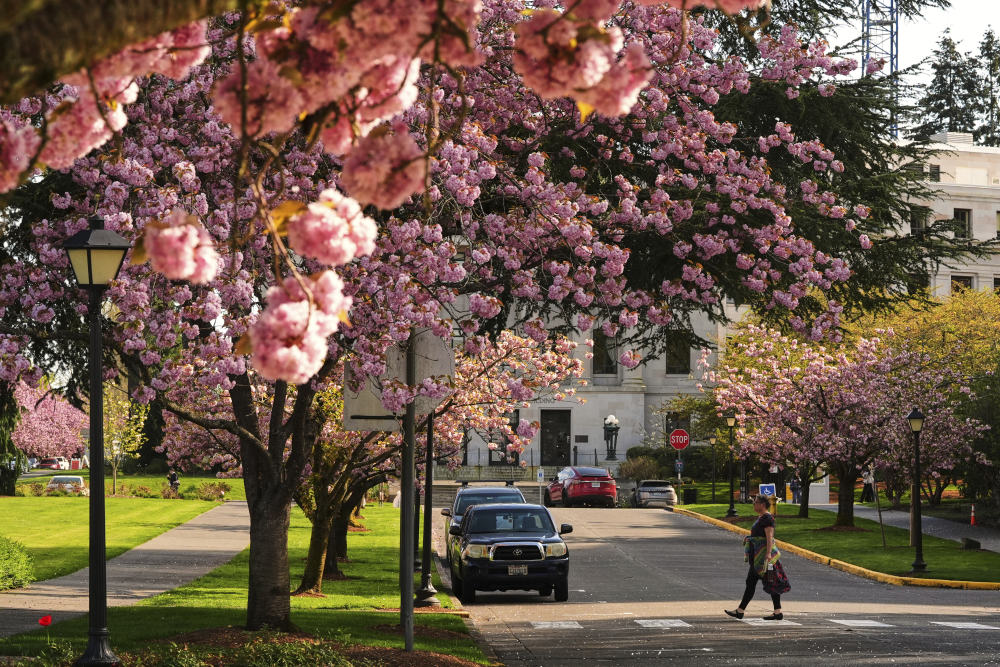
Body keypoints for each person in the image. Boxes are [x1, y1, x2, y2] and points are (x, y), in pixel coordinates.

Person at [725, 494, 788, 621]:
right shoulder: (762, 517)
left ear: (762, 505)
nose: (754, 504)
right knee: (763, 582)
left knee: (761, 582)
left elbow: (769, 537)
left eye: (756, 502)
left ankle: (741, 611)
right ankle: (776, 612)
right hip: (759, 557)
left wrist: (768, 554)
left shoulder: (767, 518)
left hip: (764, 558)